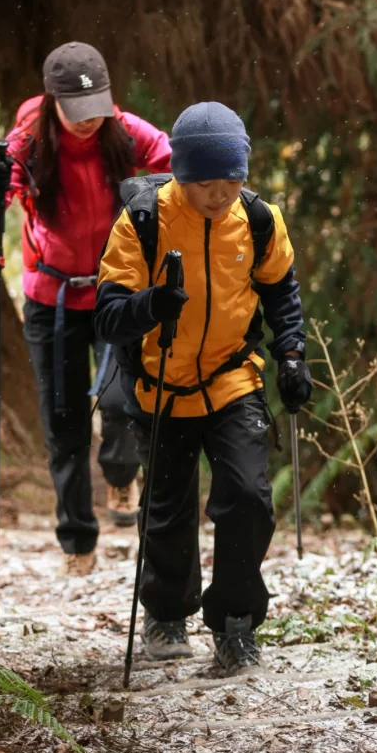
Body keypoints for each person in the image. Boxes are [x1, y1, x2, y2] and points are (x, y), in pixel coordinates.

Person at [94, 101, 313, 674]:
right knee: (166, 512)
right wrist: (151, 304)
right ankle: (167, 613)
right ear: (183, 175)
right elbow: (109, 315)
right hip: (159, 385)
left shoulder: (259, 220)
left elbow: (280, 290)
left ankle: (235, 621)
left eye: (232, 180)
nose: (220, 194)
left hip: (232, 378)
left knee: (248, 498)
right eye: (206, 183)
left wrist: (291, 354)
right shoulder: (143, 220)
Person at [0, 42, 171, 575]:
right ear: (53, 102)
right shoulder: (28, 143)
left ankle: (122, 475)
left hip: (115, 290)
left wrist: (152, 195)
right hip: (50, 299)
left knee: (126, 403)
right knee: (64, 424)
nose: (88, 123)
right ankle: (78, 541)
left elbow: (176, 162)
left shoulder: (124, 132)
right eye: (77, 113)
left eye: (96, 109)